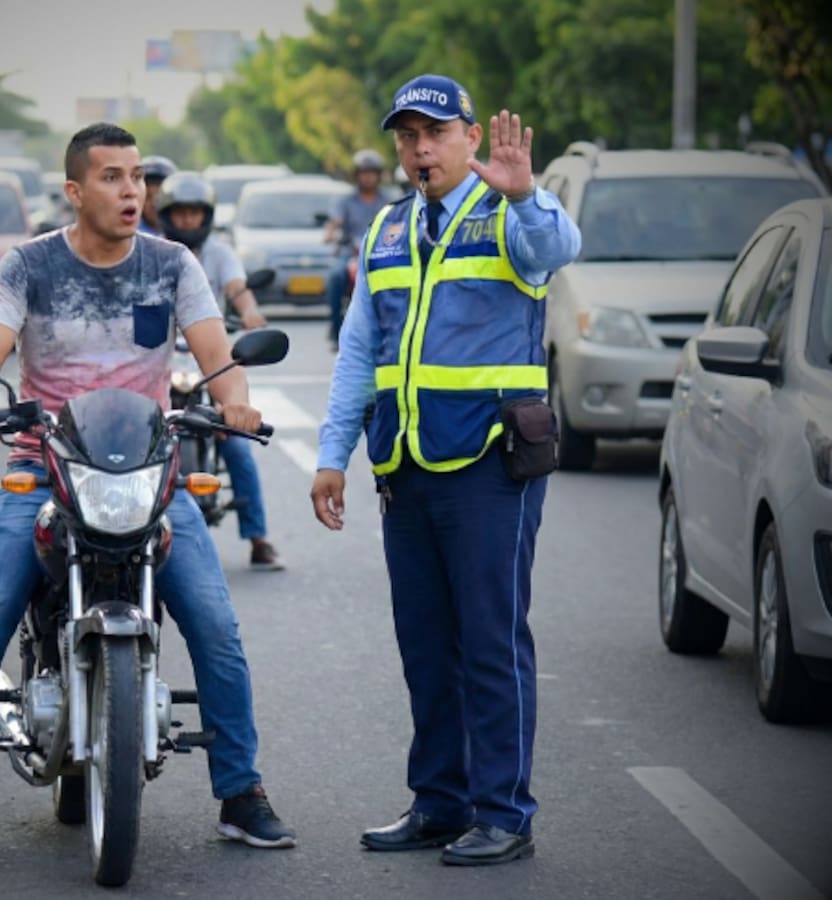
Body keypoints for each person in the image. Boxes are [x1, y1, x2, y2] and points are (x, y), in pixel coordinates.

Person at [0, 123, 295, 856]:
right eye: (111, 177)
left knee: (217, 628)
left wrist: (235, 398)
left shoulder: (173, 265)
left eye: (136, 176)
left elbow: (215, 353)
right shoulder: (29, 264)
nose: (131, 190)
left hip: (149, 467)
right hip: (45, 464)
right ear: (75, 192)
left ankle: (242, 790)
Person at [309, 74, 581, 866]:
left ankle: (504, 812)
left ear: (468, 136)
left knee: (489, 641)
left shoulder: (510, 218)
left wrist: (527, 195)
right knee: (426, 644)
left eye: (435, 132)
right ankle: (440, 800)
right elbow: (360, 350)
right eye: (407, 136)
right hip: (407, 463)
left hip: (491, 464)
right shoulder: (388, 231)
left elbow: (559, 251)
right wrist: (334, 455)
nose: (420, 148)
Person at [157, 171, 286, 571]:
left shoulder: (220, 253)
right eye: (181, 214)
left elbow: (238, 290)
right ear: (166, 215)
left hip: (210, 360)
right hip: (164, 360)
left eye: (196, 213)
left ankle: (259, 537)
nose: (189, 221)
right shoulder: (151, 254)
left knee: (237, 445)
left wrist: (251, 314)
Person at [323, 148, 388, 348]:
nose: (367, 178)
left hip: (381, 252)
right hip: (350, 253)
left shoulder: (388, 201)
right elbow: (334, 222)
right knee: (335, 276)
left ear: (378, 176)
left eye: (372, 173)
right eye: (363, 173)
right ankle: (335, 329)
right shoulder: (346, 201)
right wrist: (331, 233)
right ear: (356, 176)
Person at [137, 154, 176, 236]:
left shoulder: (187, 234)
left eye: (160, 197)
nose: (154, 203)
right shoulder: (129, 237)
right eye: (147, 197)